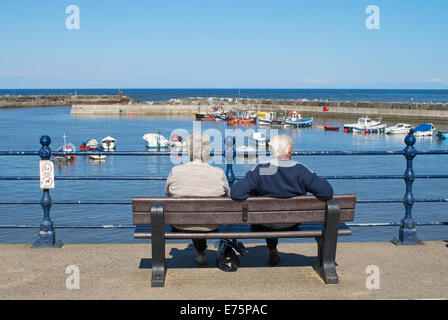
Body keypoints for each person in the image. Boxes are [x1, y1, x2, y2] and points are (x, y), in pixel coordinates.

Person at [230, 134, 333, 265]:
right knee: (273, 213)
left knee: (267, 213)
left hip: (264, 222)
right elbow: (327, 192)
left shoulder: (261, 169)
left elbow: (236, 193)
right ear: (290, 150)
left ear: (272, 150)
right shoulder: (301, 170)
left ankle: (272, 250)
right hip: (293, 221)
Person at [165, 132, 230, 265]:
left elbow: (167, 194)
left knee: (192, 211)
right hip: (211, 224)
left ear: (188, 149)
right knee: (201, 212)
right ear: (207, 150)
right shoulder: (218, 173)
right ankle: (201, 253)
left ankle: (201, 254)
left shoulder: (175, 171)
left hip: (180, 223)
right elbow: (227, 197)